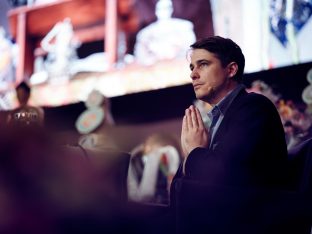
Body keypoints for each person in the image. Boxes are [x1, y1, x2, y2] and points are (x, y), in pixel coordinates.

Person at [171, 36, 288, 197]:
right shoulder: (218, 118)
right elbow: (177, 191)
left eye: (203, 64)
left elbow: (222, 176)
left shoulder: (254, 108)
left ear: (231, 70)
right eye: (192, 68)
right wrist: (191, 155)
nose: (193, 75)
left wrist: (194, 152)